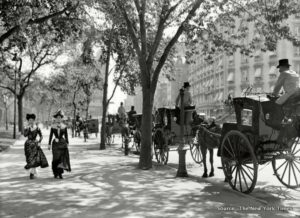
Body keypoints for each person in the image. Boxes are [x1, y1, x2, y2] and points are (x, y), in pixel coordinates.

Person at [24, 113, 48, 179]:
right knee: (29, 158)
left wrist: (39, 142)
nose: (31, 121)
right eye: (29, 120)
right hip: (28, 144)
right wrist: (28, 129)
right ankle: (32, 171)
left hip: (35, 144)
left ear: (34, 120)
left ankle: (32, 173)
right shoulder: (26, 128)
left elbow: (41, 136)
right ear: (28, 121)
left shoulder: (37, 128)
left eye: (32, 120)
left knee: (34, 158)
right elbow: (25, 135)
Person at [48, 110, 71, 179]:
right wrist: (49, 144)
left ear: (61, 118)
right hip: (55, 144)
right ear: (55, 118)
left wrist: (67, 142)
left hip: (62, 143)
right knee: (55, 159)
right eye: (57, 117)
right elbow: (51, 135)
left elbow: (66, 135)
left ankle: (60, 173)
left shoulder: (64, 126)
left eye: (60, 117)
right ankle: (55, 172)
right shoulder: (53, 126)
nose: (58, 119)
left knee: (61, 159)